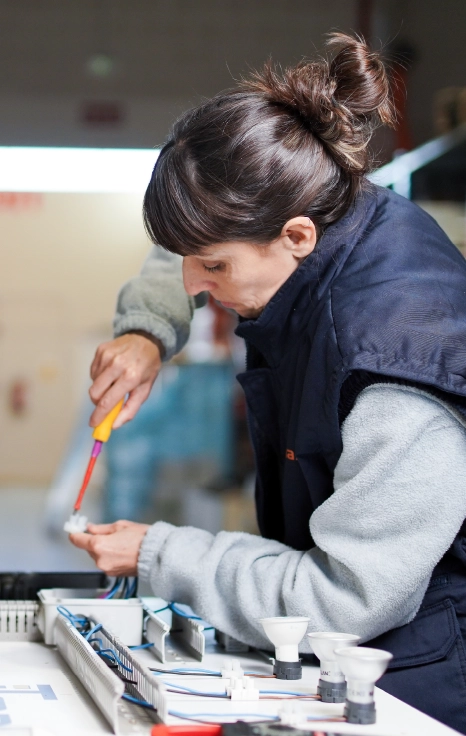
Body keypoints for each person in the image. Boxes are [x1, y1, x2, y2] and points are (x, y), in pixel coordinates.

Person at [70, 34, 466, 732]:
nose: (196, 285)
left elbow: (344, 597)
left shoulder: (397, 373)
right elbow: (182, 254)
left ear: (297, 238)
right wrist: (148, 331)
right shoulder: (327, 208)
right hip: (334, 651)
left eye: (214, 271)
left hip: (414, 675)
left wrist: (160, 553)